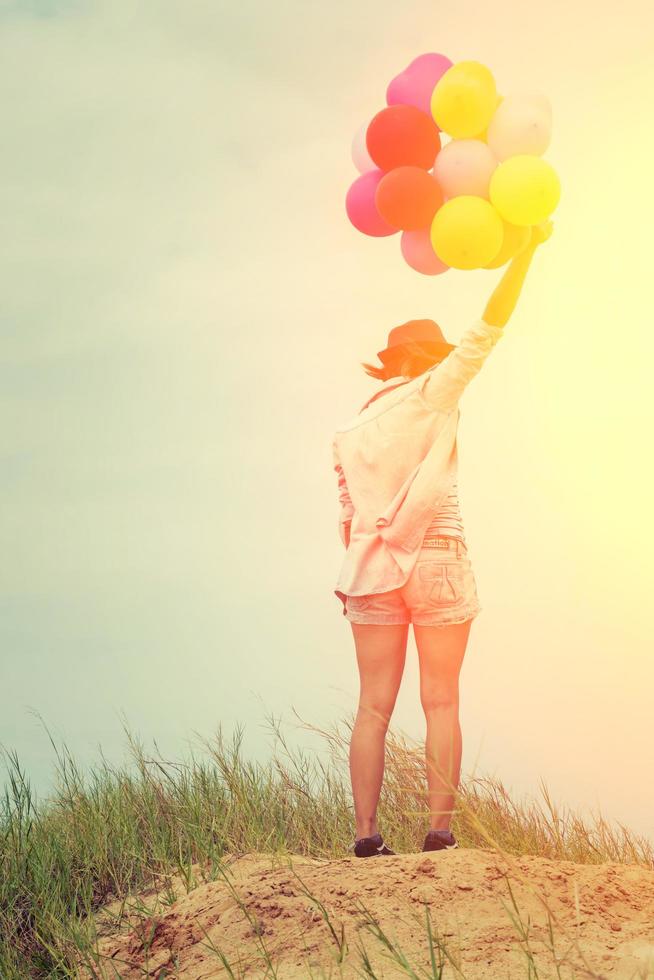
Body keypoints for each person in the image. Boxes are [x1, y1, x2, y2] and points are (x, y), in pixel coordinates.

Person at [332, 220, 554, 858]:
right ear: (422, 363)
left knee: (373, 704)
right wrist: (527, 253)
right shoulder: (434, 393)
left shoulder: (348, 431)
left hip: (367, 571)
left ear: (388, 363)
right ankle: (438, 833)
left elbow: (348, 517)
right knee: (441, 698)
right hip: (435, 559)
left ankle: (367, 839)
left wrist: (349, 581)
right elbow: (489, 330)